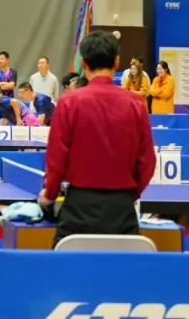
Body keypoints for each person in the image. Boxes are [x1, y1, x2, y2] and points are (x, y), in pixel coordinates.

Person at [39, 31, 156, 246]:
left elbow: (56, 158)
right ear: (117, 62)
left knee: (66, 262)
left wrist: (50, 194)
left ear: (83, 63)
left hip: (78, 208)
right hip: (122, 209)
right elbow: (147, 161)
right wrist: (130, 195)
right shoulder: (136, 104)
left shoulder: (68, 102)